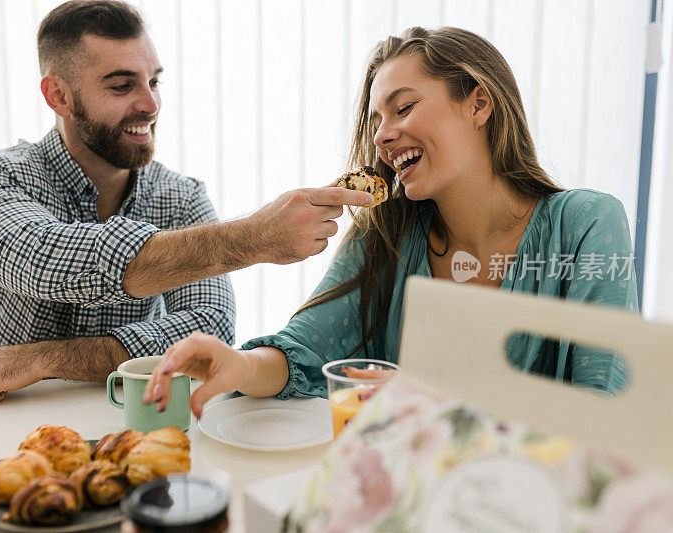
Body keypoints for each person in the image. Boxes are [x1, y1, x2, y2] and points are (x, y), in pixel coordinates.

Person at [144, 26, 639, 418]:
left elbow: (605, 405)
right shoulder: (386, 234)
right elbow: (307, 349)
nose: (383, 136)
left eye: (403, 107)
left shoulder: (587, 224)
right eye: (377, 120)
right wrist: (240, 365)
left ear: (479, 103)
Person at [0, 0, 373, 405]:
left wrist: (45, 359)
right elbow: (47, 261)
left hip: (133, 425)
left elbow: (211, 325)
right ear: (58, 95)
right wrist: (253, 237)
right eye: (121, 86)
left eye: (154, 81)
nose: (151, 106)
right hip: (2, 431)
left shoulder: (181, 196)